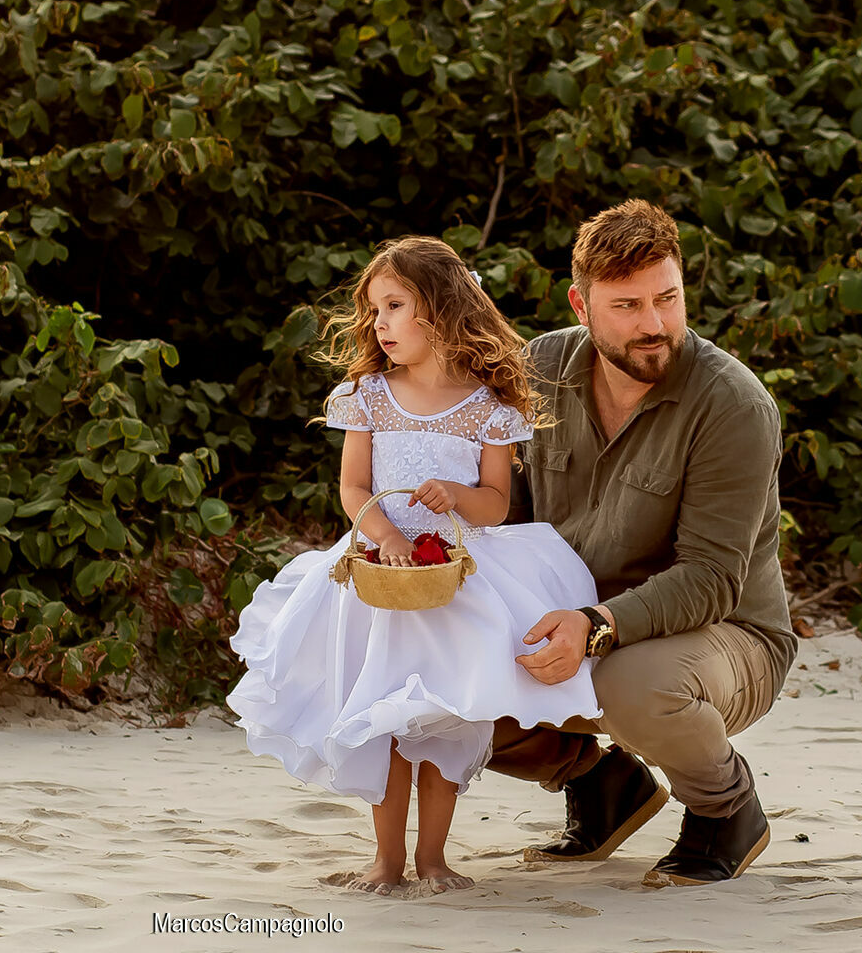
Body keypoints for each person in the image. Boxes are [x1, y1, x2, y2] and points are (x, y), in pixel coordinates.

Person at [227, 236, 602, 896]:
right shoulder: (368, 394)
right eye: (374, 310)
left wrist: (454, 496)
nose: (379, 324)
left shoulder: (488, 404)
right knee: (378, 716)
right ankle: (384, 861)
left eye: (394, 306)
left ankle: (432, 858)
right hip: (378, 578)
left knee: (441, 719)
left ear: (439, 308)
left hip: (454, 579)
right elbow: (351, 489)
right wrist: (381, 534)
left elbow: (492, 505)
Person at [489, 198, 795, 887]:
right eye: (626, 306)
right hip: (579, 619)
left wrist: (595, 626)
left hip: (725, 635)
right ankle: (601, 785)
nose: (653, 325)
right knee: (433, 670)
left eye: (667, 299)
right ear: (581, 301)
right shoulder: (537, 369)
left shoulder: (733, 405)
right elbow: (508, 521)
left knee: (632, 683)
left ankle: (725, 811)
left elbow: (713, 579)